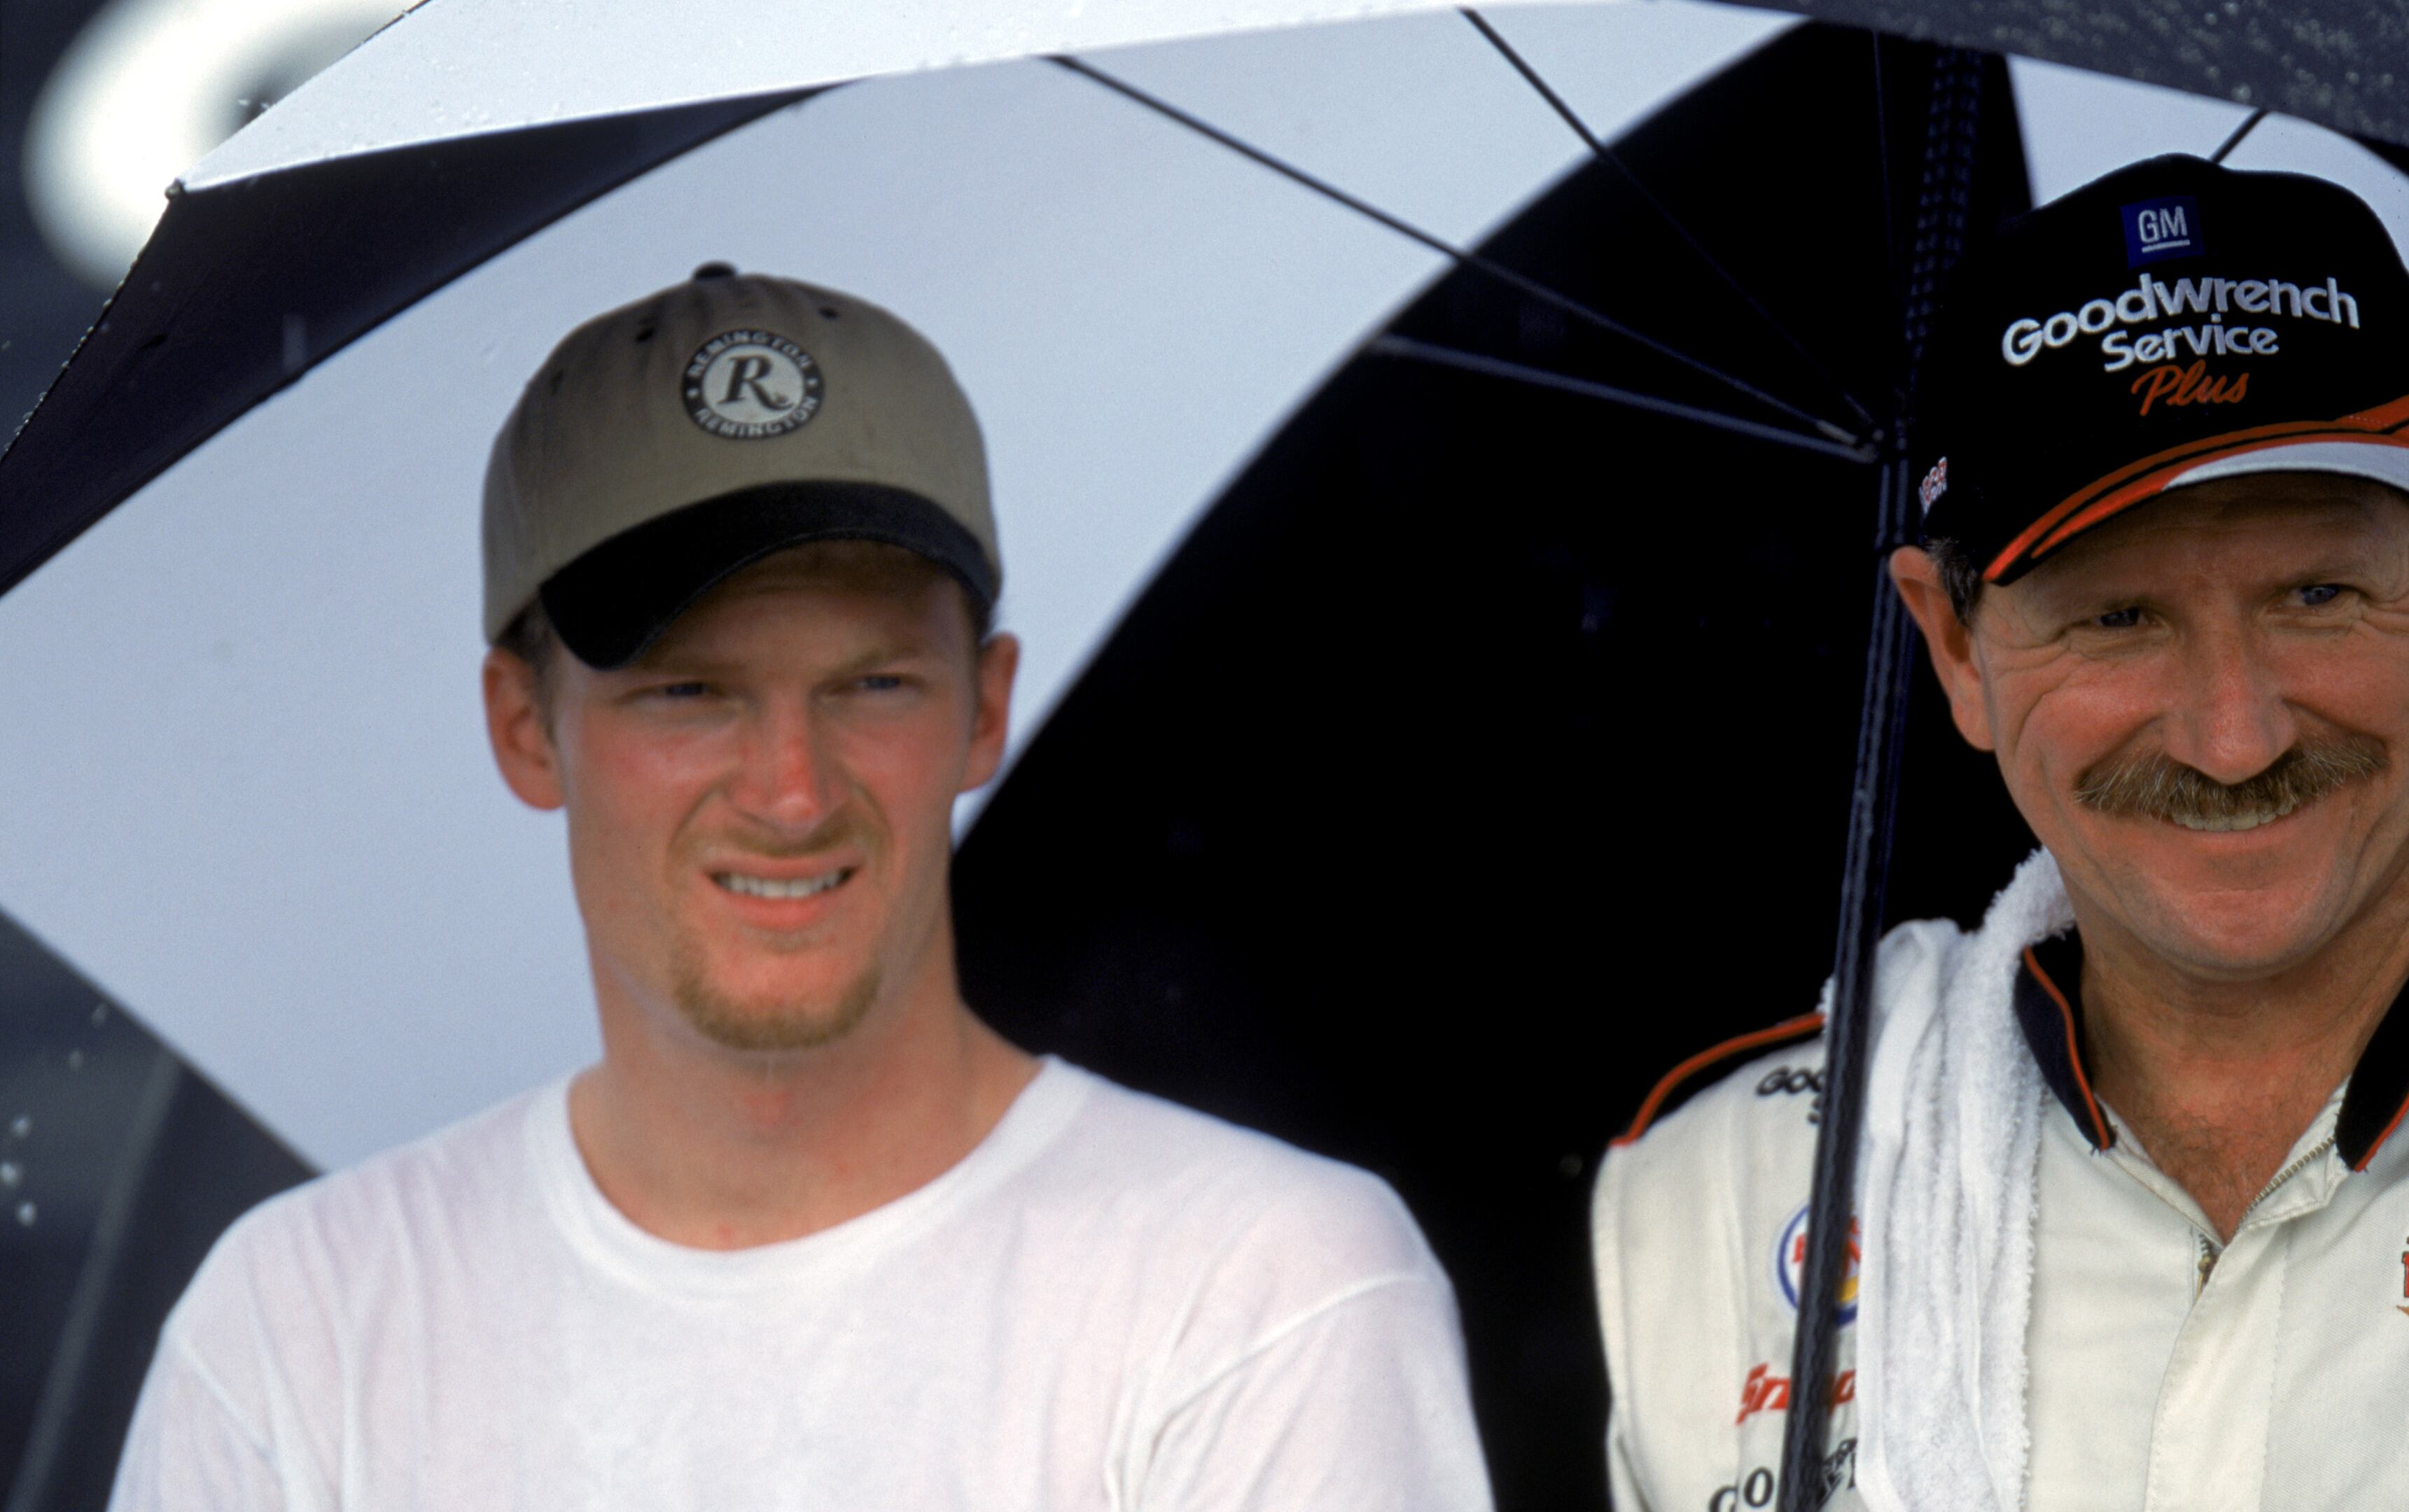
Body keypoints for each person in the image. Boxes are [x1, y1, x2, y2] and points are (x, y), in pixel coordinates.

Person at [110, 265, 1495, 1510]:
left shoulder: (1258, 1292)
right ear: (525, 727)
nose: (790, 789)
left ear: (983, 709)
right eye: (691, 693)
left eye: (872, 683)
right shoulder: (295, 1333)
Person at [1593, 155, 2409, 1511]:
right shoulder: (1728, 1179)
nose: (2235, 738)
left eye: (2318, 592)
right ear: (1952, 643)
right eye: (2117, 618)